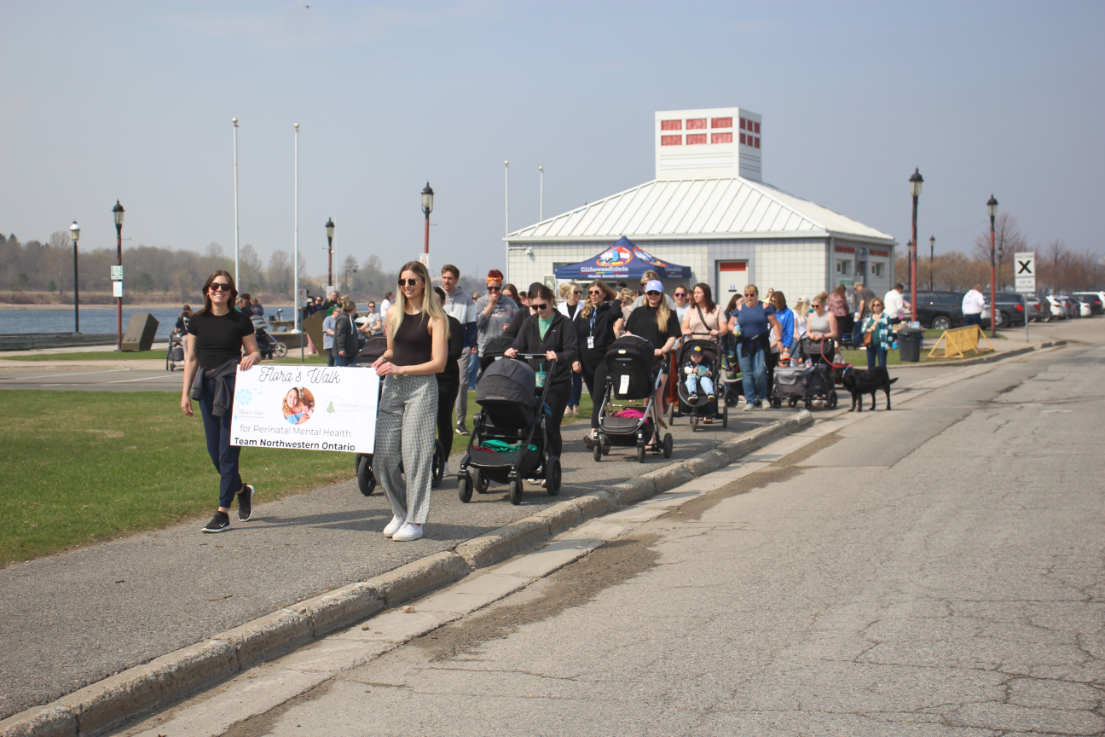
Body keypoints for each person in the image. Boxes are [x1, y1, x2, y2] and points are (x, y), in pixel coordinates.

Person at [372, 261, 448, 542]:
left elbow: (438, 363)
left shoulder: (436, 317)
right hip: (392, 386)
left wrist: (401, 369)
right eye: (403, 281)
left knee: (415, 456)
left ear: (424, 284)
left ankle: (416, 520)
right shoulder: (392, 312)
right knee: (382, 457)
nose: (407, 286)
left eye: (412, 281)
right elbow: (393, 349)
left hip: (421, 388)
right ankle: (400, 511)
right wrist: (382, 360)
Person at [180, 270, 260, 534]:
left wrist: (252, 358)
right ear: (207, 290)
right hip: (207, 387)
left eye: (225, 287)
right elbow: (192, 359)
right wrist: (185, 393)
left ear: (231, 292)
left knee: (228, 453)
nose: (219, 290)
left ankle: (222, 512)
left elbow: (254, 352)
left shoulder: (240, 320)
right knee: (215, 454)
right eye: (215, 286)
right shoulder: (196, 321)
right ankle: (241, 490)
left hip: (233, 388)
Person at [505, 284, 578, 460]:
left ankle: (553, 464)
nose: (539, 310)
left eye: (542, 306)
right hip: (533, 382)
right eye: (534, 307)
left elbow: (573, 351)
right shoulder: (529, 322)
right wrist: (511, 351)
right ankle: (534, 462)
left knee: (552, 426)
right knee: (532, 425)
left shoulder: (564, 323)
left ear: (551, 302)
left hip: (557, 382)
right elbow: (518, 345)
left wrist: (558, 356)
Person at [625, 280, 680, 448]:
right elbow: (629, 331)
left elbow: (673, 336)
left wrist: (663, 349)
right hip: (641, 358)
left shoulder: (668, 313)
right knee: (645, 397)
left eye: (656, 293)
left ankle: (655, 435)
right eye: (650, 293)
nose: (653, 296)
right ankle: (647, 430)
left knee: (656, 395)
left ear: (661, 294)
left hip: (659, 358)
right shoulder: (638, 312)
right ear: (646, 294)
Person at [572, 280, 622, 444]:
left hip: (603, 359)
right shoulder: (583, 313)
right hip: (586, 361)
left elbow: (617, 315)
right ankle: (605, 426)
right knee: (596, 398)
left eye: (597, 292)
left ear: (604, 294)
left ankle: (594, 432)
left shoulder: (608, 311)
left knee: (599, 396)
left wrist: (617, 299)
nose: (593, 295)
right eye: (591, 292)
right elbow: (574, 338)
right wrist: (575, 359)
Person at [729, 284, 781, 412]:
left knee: (759, 372)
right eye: (747, 295)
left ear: (757, 295)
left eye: (752, 295)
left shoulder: (764, 307)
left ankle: (763, 397)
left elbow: (775, 324)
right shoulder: (740, 308)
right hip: (743, 344)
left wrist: (779, 340)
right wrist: (734, 331)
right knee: (746, 373)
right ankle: (750, 400)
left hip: (760, 343)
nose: (749, 298)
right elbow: (731, 324)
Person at [473, 270, 520, 409]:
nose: (493, 291)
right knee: (488, 381)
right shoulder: (481, 302)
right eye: (490, 288)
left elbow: (519, 324)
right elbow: (478, 322)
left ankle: (502, 407)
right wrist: (491, 305)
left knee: (503, 382)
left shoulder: (510, 304)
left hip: (505, 349)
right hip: (486, 349)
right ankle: (487, 408)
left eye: (497, 288)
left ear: (501, 287)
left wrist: (511, 328)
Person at [681, 283, 728, 421]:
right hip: (693, 345)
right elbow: (684, 326)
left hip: (709, 347)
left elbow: (724, 328)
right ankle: (693, 405)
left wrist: (718, 331)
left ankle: (708, 409)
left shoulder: (717, 309)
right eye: (694, 292)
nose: (695, 295)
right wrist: (686, 331)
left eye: (698, 293)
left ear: (706, 294)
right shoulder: (690, 309)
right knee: (690, 374)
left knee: (708, 376)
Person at [440, 264, 477, 436]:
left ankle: (460, 421)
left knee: (462, 384)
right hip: (440, 347)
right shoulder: (436, 296)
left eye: (450, 278)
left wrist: (470, 344)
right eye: (444, 277)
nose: (446, 281)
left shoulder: (466, 298)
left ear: (456, 280)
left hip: (461, 347)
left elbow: (472, 323)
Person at [433, 286, 464, 475]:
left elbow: (457, 351)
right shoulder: (423, 322)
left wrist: (435, 358)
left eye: (435, 300)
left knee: (443, 419)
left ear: (443, 302)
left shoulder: (452, 323)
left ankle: (443, 461)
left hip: (446, 377)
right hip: (424, 377)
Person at [557, 282, 584, 416]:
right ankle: (568, 404)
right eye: (576, 292)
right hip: (565, 345)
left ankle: (576, 404)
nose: (579, 295)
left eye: (580, 292)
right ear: (568, 294)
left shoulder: (584, 307)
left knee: (577, 376)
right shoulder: (560, 308)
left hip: (579, 345)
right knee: (566, 377)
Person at [807, 292, 840, 360]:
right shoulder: (811, 316)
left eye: (817, 306)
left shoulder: (829, 315)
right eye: (813, 306)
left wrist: (821, 336)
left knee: (825, 367)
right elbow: (808, 332)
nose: (815, 308)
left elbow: (834, 333)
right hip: (813, 346)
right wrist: (811, 335)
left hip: (826, 346)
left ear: (823, 305)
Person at [861, 297, 892, 369]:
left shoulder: (886, 317)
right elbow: (863, 329)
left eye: (878, 305)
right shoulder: (868, 317)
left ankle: (882, 379)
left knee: (882, 365)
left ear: (881, 306)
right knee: (871, 365)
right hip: (870, 344)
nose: (876, 307)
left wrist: (890, 344)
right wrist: (867, 330)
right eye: (874, 305)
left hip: (882, 343)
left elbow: (890, 332)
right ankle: (871, 379)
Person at [771, 291, 796, 367]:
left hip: (783, 345)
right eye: (772, 301)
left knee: (782, 367)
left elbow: (790, 331)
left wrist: (787, 346)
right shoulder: (775, 312)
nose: (773, 303)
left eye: (775, 301)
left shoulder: (788, 312)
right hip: (773, 344)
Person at [332, 297, 360, 367]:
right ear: (353, 308)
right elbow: (340, 334)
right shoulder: (343, 319)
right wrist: (341, 348)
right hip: (343, 354)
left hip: (350, 352)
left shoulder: (349, 318)